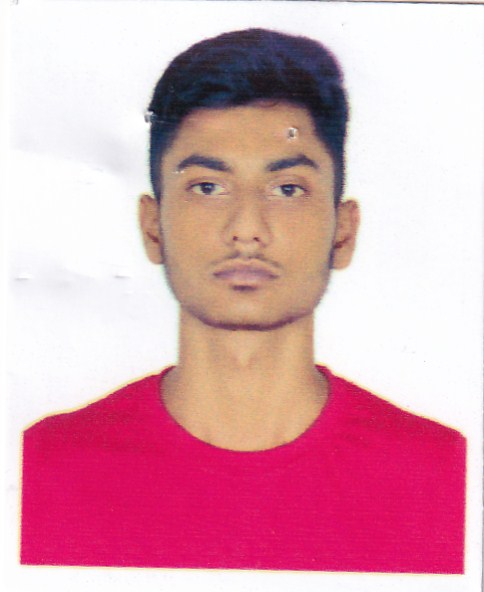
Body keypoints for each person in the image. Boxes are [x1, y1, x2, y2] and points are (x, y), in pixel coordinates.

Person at [20, 28, 465, 573]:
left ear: (343, 232)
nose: (247, 229)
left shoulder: (446, 479)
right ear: (153, 227)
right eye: (208, 187)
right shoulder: (39, 471)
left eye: (287, 189)